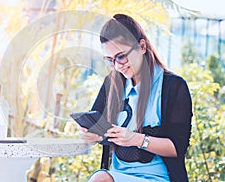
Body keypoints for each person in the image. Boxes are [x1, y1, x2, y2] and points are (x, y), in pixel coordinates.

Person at [79, 14, 193, 182]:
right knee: (100, 178)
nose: (118, 66)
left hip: (159, 177)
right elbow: (96, 126)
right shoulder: (112, 84)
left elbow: (177, 148)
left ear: (142, 46)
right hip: (117, 175)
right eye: (110, 60)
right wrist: (90, 136)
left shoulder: (173, 87)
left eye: (121, 56)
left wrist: (137, 139)